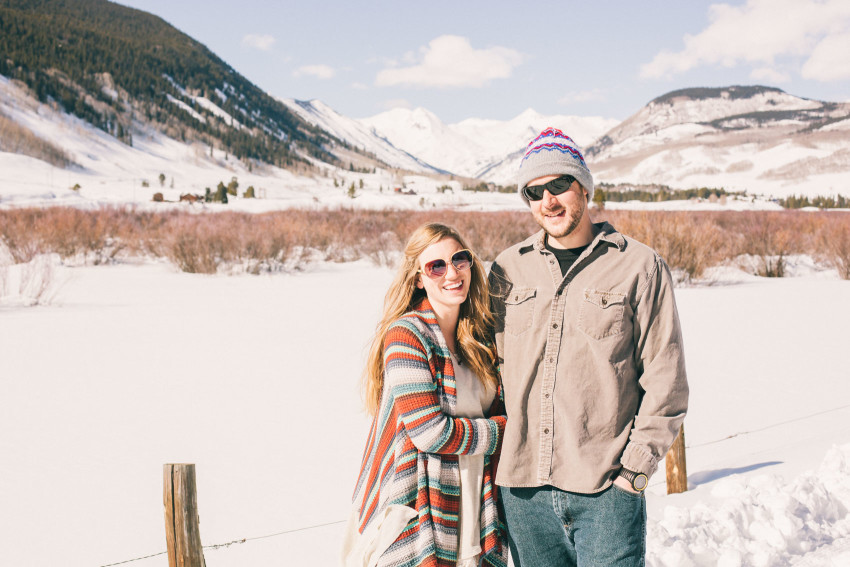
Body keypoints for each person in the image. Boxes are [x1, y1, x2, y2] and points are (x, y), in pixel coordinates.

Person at [489, 127, 689, 567]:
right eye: (534, 192)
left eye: (559, 184)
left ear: (584, 187)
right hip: (523, 493)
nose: (549, 201)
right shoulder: (507, 269)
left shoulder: (639, 265)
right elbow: (486, 370)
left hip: (606, 492)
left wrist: (634, 472)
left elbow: (666, 380)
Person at [343, 223, 509, 567]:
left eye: (459, 260)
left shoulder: (477, 338)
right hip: (418, 501)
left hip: (473, 500)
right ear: (418, 278)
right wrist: (501, 431)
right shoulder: (407, 336)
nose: (452, 273)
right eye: (436, 266)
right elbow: (431, 432)